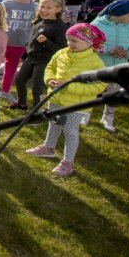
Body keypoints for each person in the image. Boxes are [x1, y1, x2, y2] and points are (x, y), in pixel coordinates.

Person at [25, 24, 106, 177]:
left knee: (70, 131)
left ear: (89, 42)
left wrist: (69, 87)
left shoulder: (96, 63)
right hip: (56, 98)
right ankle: (48, 148)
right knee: (53, 123)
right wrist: (49, 80)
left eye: (74, 41)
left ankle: (67, 162)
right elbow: (50, 67)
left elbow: (99, 86)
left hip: (77, 105)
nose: (70, 44)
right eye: (69, 40)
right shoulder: (62, 53)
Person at [91, 0, 129, 132]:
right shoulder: (97, 25)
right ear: (118, 13)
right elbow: (90, 43)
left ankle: (108, 118)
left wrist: (128, 53)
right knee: (91, 91)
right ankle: (85, 113)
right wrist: (110, 50)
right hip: (97, 66)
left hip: (118, 69)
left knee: (114, 94)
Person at [13, 0, 68, 110]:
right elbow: (30, 42)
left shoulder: (60, 27)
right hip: (31, 58)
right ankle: (21, 104)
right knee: (19, 80)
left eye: (48, 8)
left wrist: (46, 42)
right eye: (42, 7)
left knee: (37, 87)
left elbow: (61, 49)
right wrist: (23, 57)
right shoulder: (38, 23)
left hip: (45, 60)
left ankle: (37, 113)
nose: (44, 10)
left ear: (58, 9)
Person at [1, 0, 38, 102]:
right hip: (3, 41)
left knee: (10, 68)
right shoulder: (6, 4)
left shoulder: (35, 7)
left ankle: (5, 91)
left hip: (20, 44)